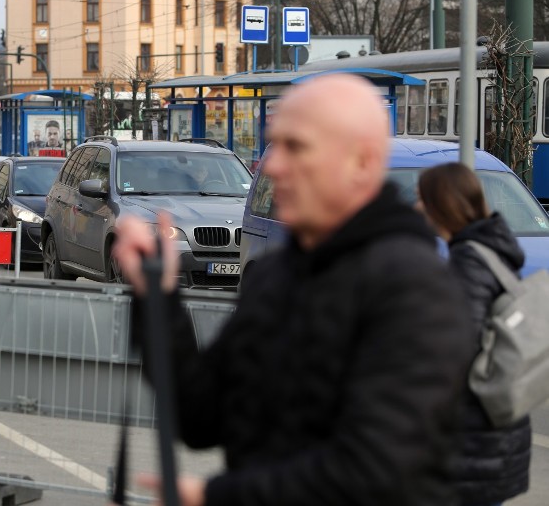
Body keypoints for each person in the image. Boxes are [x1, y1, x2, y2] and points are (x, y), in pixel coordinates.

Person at [113, 74, 472, 506]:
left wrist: (218, 496)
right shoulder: (274, 275)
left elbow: (376, 470)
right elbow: (202, 415)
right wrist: (158, 296)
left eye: (296, 147)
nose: (273, 165)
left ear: (362, 161)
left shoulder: (415, 287)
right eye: (274, 145)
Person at [417, 163, 531, 506]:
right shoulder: (490, 251)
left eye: (423, 199)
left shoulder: (468, 262)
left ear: (442, 205)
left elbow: (457, 352)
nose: (417, 207)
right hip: (493, 434)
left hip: (472, 441)